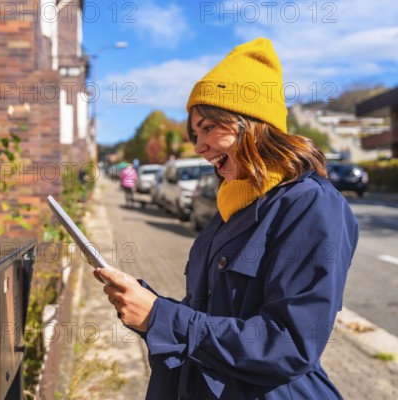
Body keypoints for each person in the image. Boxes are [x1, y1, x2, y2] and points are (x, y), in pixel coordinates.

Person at [95, 38, 359, 399]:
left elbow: (289, 344)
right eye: (194, 133)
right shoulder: (233, 205)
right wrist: (147, 306)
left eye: (206, 127)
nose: (198, 145)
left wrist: (161, 317)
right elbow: (209, 315)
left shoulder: (312, 205)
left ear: (252, 123)